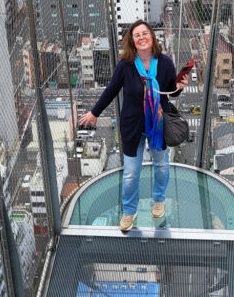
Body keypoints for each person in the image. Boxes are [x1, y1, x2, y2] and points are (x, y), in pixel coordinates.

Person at [79, 20, 188, 232]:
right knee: (131, 173)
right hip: (132, 126)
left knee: (162, 165)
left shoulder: (165, 63)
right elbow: (111, 90)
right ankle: (129, 211)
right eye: (137, 35)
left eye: (145, 33)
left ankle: (159, 200)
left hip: (158, 124)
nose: (141, 38)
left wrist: (180, 87)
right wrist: (94, 113)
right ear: (132, 41)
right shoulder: (126, 65)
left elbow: (170, 92)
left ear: (152, 36)